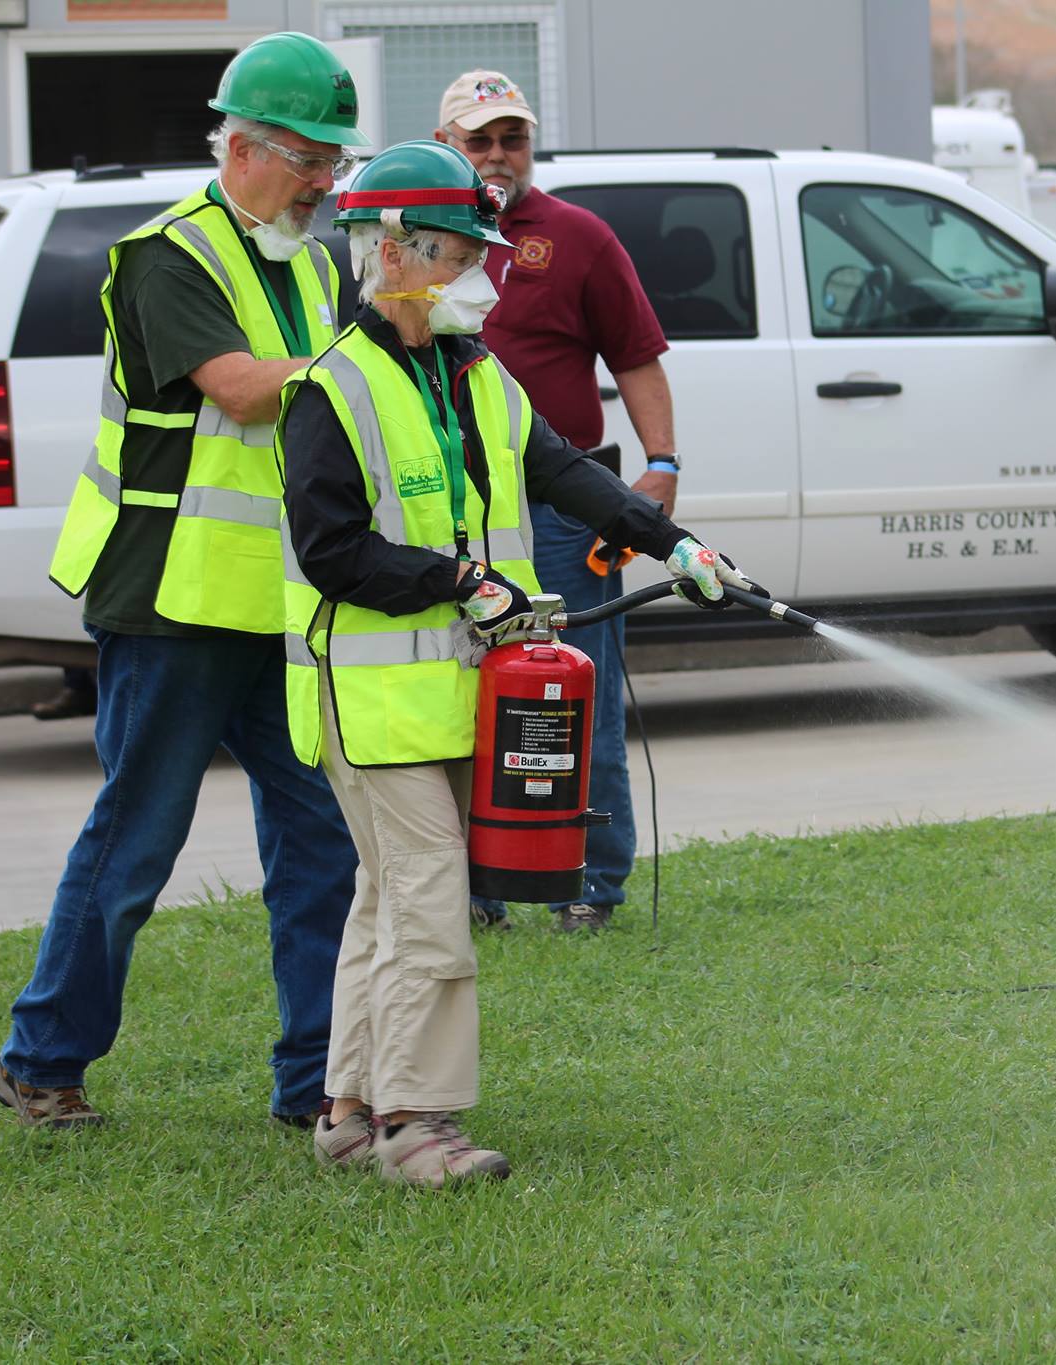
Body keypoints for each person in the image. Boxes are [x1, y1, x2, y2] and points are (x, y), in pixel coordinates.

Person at [276, 141, 749, 1185]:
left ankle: (350, 1110)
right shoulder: (331, 389)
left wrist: (675, 544)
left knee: (386, 901)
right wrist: (456, 581)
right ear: (393, 253)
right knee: (431, 898)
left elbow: (563, 473)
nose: (481, 279)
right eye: (459, 257)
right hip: (367, 701)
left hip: (448, 693)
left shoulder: (471, 377)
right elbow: (330, 550)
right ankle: (418, 1125)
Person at [0, 33, 368, 1131]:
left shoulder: (312, 258)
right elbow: (247, 392)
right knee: (137, 842)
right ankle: (40, 1059)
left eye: (335, 161)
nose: (326, 181)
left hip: (273, 598)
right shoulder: (170, 255)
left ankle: (312, 1084)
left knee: (321, 844)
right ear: (242, 147)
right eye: (310, 159)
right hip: (167, 602)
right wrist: (372, 360)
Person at [433, 70, 676, 934]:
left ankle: (595, 887)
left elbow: (637, 355)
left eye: (513, 138)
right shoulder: (420, 237)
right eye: (479, 140)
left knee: (586, 695)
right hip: (456, 513)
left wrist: (663, 462)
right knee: (463, 697)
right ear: (446, 146)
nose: (497, 155)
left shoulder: (578, 238)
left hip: (570, 511)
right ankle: (477, 891)